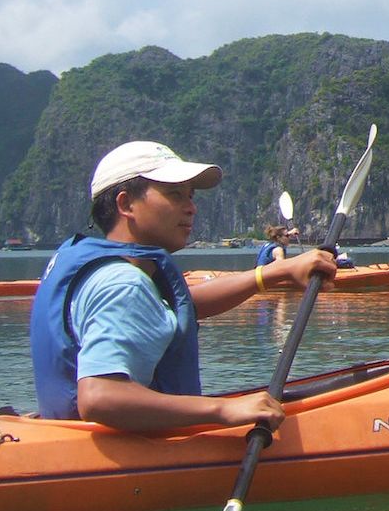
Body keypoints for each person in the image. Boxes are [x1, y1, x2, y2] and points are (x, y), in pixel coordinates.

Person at [29, 141, 337, 432]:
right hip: (131, 460)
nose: (191, 208)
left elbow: (180, 306)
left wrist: (274, 274)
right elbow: (99, 397)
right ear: (126, 204)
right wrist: (222, 410)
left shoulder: (106, 271)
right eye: (175, 195)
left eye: (190, 195)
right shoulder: (125, 284)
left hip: (70, 432)